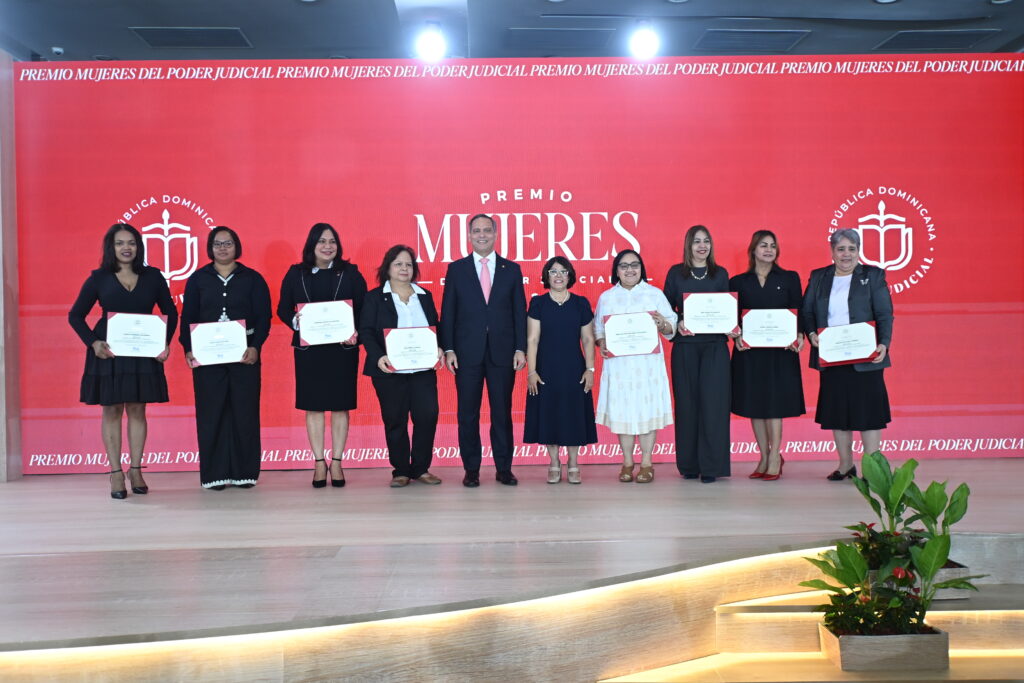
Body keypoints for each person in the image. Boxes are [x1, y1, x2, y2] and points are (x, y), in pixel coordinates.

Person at [68, 223, 178, 499]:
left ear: (138, 246)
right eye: (120, 243)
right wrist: (93, 343)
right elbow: (75, 316)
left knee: (138, 409)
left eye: (131, 242)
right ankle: (116, 473)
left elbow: (171, 312)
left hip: (143, 350)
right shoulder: (99, 278)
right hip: (110, 351)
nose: (126, 248)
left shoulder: (153, 276)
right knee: (112, 410)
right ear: (111, 247)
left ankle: (136, 470)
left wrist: (163, 342)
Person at [179, 227, 272, 490]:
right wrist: (188, 348)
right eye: (217, 244)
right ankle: (215, 475)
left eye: (228, 243)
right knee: (211, 413)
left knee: (245, 412)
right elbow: (188, 317)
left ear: (236, 246)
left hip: (244, 356)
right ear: (210, 248)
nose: (222, 248)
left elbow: (264, 318)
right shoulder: (198, 279)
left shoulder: (252, 279)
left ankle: (245, 473)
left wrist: (255, 347)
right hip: (207, 357)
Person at [439, 213, 527, 487]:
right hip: (466, 353)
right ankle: (471, 470)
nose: (482, 235)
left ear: (496, 234)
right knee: (468, 414)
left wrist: (520, 348)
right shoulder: (457, 269)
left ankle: (504, 469)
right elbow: (448, 312)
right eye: (476, 230)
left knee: (502, 413)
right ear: (469, 235)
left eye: (487, 230)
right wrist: (449, 348)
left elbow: (519, 312)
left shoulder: (512, 269)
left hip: (503, 352)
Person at [278, 223, 366, 488]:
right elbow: (283, 308)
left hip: (342, 350)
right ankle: (318, 462)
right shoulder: (296, 273)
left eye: (332, 241)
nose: (328, 246)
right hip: (310, 351)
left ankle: (337, 462)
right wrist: (296, 321)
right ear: (312, 245)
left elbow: (364, 309)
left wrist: (357, 333)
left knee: (340, 406)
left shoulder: (350, 273)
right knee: (313, 406)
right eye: (322, 241)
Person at [801, 228, 893, 480]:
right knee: (838, 412)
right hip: (832, 356)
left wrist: (884, 343)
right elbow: (807, 312)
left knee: (869, 413)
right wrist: (811, 333)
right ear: (832, 252)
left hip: (866, 356)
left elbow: (884, 314)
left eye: (852, 249)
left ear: (858, 251)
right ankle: (845, 465)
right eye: (840, 249)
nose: (846, 254)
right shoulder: (819, 277)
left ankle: (872, 470)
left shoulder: (873, 276)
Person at [359, 245, 443, 488]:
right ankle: (401, 471)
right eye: (398, 264)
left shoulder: (424, 295)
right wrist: (378, 357)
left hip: (423, 370)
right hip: (389, 370)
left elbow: (435, 326)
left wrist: (439, 347)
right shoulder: (374, 297)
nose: (404, 268)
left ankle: (421, 468)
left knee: (427, 416)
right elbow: (366, 331)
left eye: (408, 264)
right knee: (395, 419)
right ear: (387, 268)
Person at [594, 249, 676, 484]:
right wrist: (602, 343)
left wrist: (663, 324)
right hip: (619, 367)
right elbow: (598, 329)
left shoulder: (654, 294)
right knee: (623, 412)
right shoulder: (607, 297)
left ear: (641, 268)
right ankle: (627, 462)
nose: (630, 270)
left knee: (647, 412)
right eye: (624, 266)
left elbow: (671, 325)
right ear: (616, 270)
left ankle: (647, 463)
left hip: (648, 367)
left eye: (634, 265)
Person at [729, 230, 805, 481]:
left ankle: (775, 456)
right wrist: (736, 336)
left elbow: (799, 310)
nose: (769, 250)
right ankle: (763, 455)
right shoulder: (738, 282)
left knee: (774, 405)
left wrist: (800, 334)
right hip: (750, 352)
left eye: (773, 245)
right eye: (763, 245)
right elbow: (732, 317)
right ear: (753, 250)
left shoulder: (789, 278)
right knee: (755, 405)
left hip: (780, 351)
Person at [663, 225, 732, 483]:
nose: (702, 246)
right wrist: (678, 321)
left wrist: (733, 325)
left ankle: (711, 467)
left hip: (715, 346)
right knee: (687, 405)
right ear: (688, 245)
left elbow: (727, 309)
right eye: (696, 241)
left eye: (706, 241)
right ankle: (689, 465)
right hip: (685, 346)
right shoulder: (675, 273)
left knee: (714, 406)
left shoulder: (720, 274)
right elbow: (667, 309)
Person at [524, 256, 598, 485]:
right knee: (549, 415)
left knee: (574, 415)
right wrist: (531, 372)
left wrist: (590, 369)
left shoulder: (580, 303)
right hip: (545, 369)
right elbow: (532, 339)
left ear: (570, 276)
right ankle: (554, 462)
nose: (558, 276)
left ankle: (573, 462)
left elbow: (588, 339)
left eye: (563, 271)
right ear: (546, 276)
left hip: (574, 368)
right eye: (553, 271)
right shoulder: (538, 303)